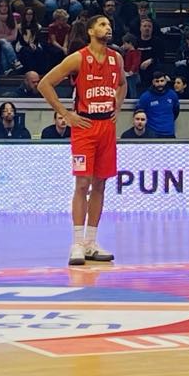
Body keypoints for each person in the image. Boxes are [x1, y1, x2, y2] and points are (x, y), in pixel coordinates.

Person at [39, 14, 126, 266]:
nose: (108, 28)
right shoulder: (78, 58)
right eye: (102, 24)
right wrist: (66, 114)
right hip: (84, 127)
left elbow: (122, 84)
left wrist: (118, 107)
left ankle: (91, 242)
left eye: (109, 24)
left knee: (100, 184)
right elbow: (45, 84)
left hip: (106, 126)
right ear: (90, 31)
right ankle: (77, 243)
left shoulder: (116, 58)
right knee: (82, 183)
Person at [136, 72, 180, 138]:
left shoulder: (173, 95)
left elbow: (176, 112)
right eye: (157, 81)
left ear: (165, 81)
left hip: (169, 133)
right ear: (153, 82)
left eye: (162, 81)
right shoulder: (145, 97)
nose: (160, 84)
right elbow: (139, 113)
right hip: (151, 134)